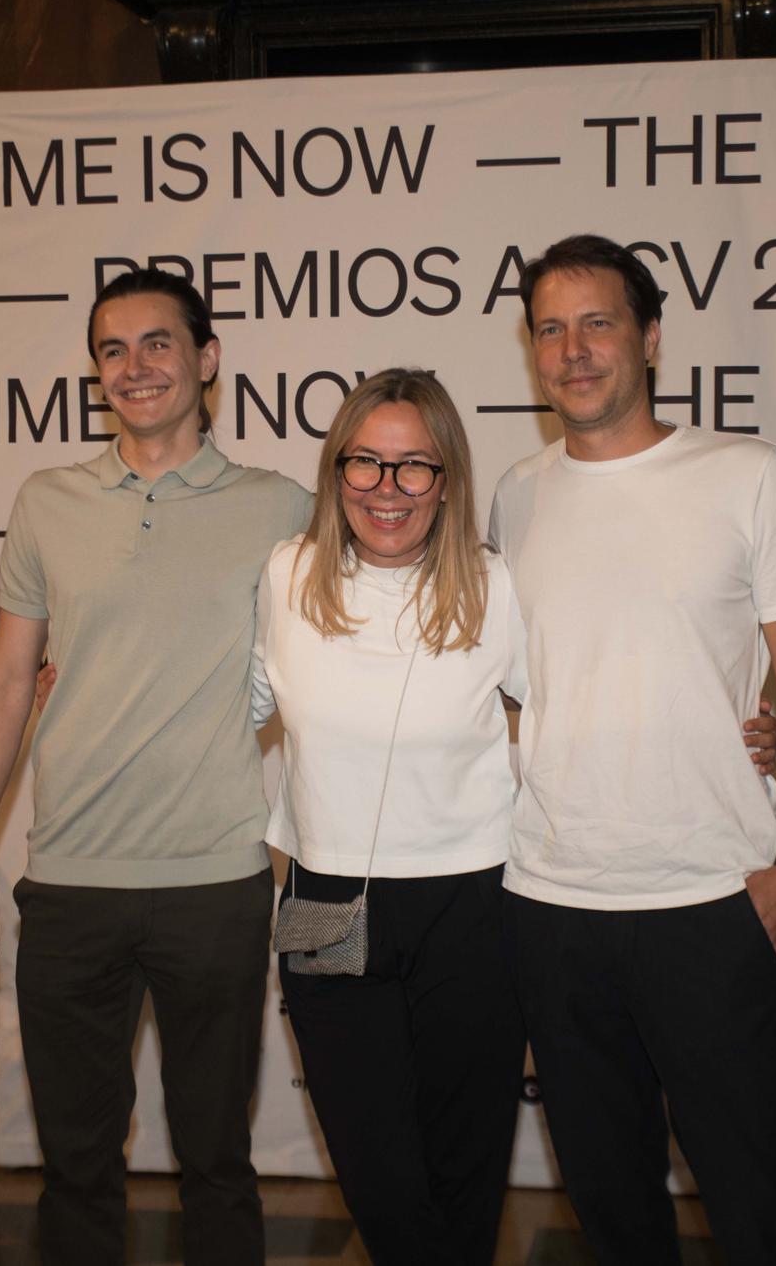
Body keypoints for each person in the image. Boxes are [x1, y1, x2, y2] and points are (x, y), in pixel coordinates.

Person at [0, 267, 311, 1265]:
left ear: (206, 359)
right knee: (75, 1171)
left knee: (218, 1166)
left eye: (157, 343)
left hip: (215, 884)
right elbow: (9, 679)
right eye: (113, 349)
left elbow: (358, 651)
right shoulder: (47, 501)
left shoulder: (280, 508)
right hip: (67, 886)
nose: (135, 366)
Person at [489, 234, 776, 1264]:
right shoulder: (514, 493)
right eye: (549, 327)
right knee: (611, 1208)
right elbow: (516, 696)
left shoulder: (742, 474)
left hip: (711, 899)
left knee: (761, 1202)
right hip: (550, 906)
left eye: (596, 321)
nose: (573, 348)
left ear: (647, 337)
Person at [250, 368, 527, 1264]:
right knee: (380, 1177)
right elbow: (231, 699)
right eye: (364, 463)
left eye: (414, 467)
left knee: (465, 1169)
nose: (387, 489)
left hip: (472, 905)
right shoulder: (288, 575)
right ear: (336, 473)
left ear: (447, 480)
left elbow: (579, 711)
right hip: (327, 896)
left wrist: (742, 733)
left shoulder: (495, 587)